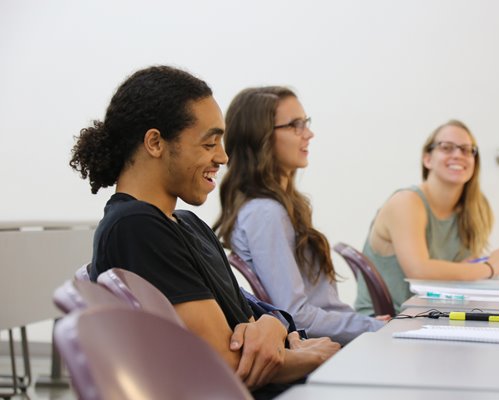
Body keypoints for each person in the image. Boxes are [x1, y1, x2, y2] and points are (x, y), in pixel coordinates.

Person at [69, 66, 339, 398]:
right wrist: (308, 357)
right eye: (209, 143)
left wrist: (273, 325)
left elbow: (253, 311)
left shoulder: (188, 224)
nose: (223, 156)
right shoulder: (135, 226)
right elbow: (221, 365)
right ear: (155, 143)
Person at [214, 86, 388, 346]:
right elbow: (297, 316)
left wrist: (369, 325)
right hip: (320, 348)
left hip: (334, 340)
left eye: (305, 122)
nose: (309, 133)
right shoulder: (266, 213)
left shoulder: (278, 207)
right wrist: (374, 327)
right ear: (260, 136)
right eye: (295, 125)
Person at [355, 120, 499, 314]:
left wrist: (480, 265)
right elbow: (419, 271)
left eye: (466, 150)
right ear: (427, 159)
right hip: (387, 323)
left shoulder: (475, 209)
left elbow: (462, 269)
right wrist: (490, 267)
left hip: (432, 315)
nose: (458, 155)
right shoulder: (406, 202)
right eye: (446, 147)